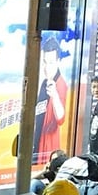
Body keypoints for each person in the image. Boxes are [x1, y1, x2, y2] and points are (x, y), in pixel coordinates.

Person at [33, 37, 68, 165]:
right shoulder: (45, 83)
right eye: (45, 62)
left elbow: (61, 118)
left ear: (58, 61)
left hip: (48, 147)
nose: (47, 67)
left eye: (51, 62)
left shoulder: (60, 84)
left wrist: (55, 96)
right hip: (38, 143)